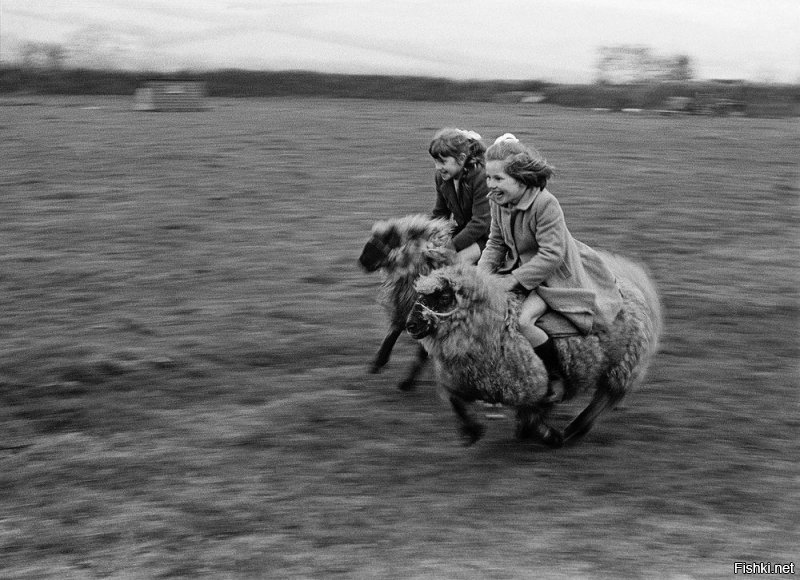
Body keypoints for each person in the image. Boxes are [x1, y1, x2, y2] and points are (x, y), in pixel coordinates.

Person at [477, 134, 623, 394]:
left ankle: (555, 378)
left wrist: (513, 280)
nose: (491, 184)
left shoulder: (545, 204)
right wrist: (480, 276)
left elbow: (551, 255)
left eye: (498, 178)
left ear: (521, 178)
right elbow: (496, 243)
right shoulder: (498, 201)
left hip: (552, 277)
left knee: (523, 322)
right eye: (488, 177)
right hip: (519, 268)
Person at [428, 128, 491, 264]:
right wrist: (428, 236)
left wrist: (452, 246)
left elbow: (480, 223)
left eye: (443, 162)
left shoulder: (480, 177)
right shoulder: (442, 177)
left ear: (461, 158)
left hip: (489, 237)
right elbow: (440, 214)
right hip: (466, 232)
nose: (438, 167)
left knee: (454, 265)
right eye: (435, 161)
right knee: (430, 259)